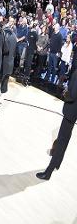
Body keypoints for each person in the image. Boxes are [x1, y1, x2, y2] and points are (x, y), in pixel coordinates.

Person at [36, 52, 77, 180]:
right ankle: (57, 163)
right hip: (74, 112)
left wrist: (65, 92)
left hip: (71, 111)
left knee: (61, 141)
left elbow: (72, 95)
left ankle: (49, 171)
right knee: (64, 140)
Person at [0, 19, 17, 116]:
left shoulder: (3, 35)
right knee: (4, 88)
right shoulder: (15, 37)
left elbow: (1, 51)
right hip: (10, 65)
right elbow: (15, 52)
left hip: (2, 65)